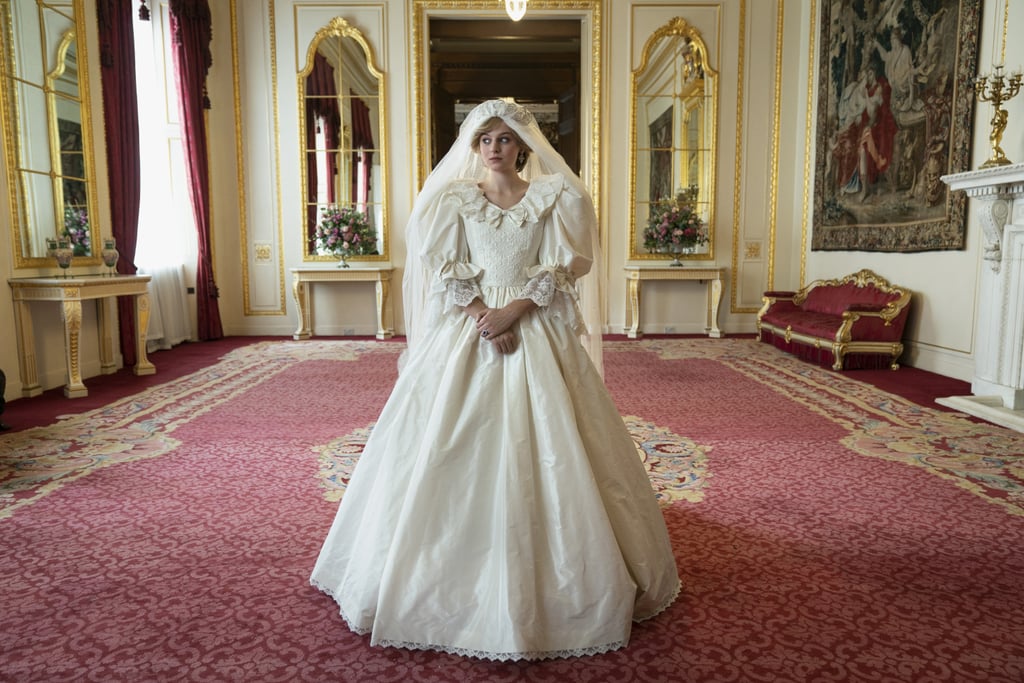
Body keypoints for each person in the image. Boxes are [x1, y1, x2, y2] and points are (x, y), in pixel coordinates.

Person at [310, 98, 680, 661]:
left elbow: (565, 267)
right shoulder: (455, 199)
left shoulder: (557, 197)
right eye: (485, 140)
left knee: (558, 447)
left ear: (524, 145)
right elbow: (444, 265)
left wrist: (517, 311)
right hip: (473, 327)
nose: (494, 148)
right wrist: (485, 315)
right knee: (444, 443)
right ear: (474, 146)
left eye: (505, 139)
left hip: (532, 325)